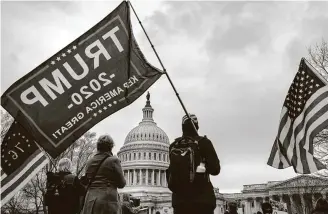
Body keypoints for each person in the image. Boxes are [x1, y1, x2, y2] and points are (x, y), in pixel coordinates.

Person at [168, 114, 221, 214]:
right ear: (197, 126)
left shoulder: (173, 146)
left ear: (182, 127)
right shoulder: (204, 142)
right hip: (202, 200)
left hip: (180, 201)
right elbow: (215, 169)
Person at [80, 135, 126, 214]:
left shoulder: (89, 161)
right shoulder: (114, 160)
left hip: (90, 200)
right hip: (107, 201)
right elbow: (122, 184)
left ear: (98, 146)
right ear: (110, 147)